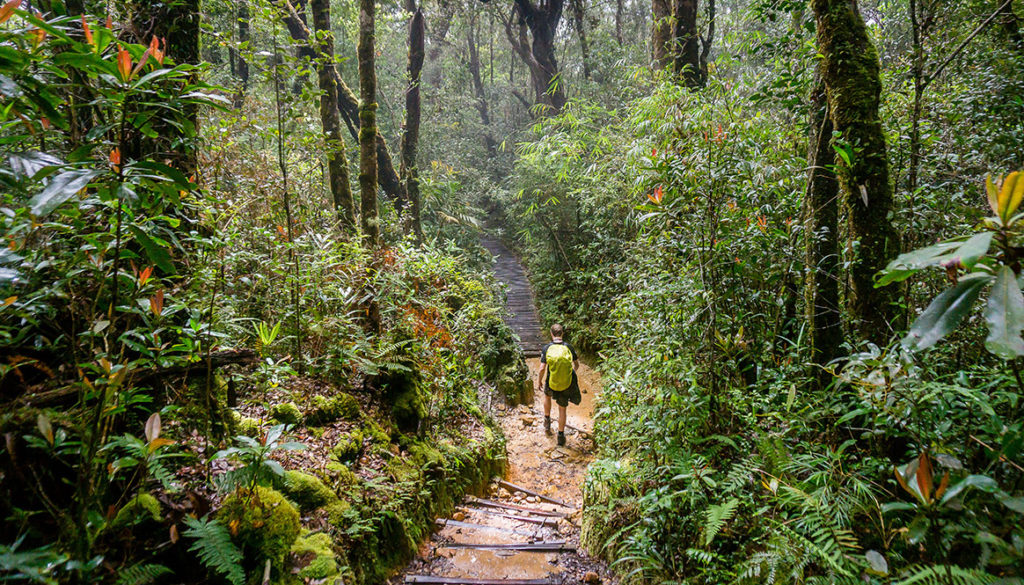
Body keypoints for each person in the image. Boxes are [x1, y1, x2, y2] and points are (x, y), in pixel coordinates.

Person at [536, 323, 581, 446]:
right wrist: (570, 373)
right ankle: (561, 436)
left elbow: (541, 368)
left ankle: (547, 420)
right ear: (562, 334)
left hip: (551, 382)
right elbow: (577, 365)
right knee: (562, 409)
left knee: (547, 397)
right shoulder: (569, 347)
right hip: (565, 383)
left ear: (551, 334)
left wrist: (539, 380)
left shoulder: (547, 348)